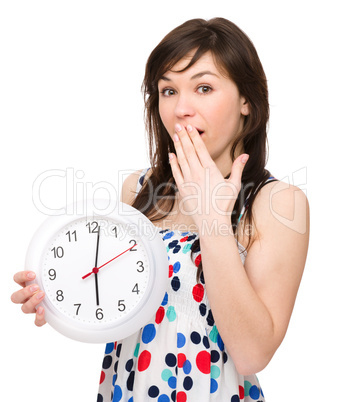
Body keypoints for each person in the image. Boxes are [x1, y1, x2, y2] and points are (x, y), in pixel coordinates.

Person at [11, 17, 309, 401]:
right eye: (168, 90)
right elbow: (121, 311)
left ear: (247, 101)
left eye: (203, 87)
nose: (181, 108)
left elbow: (252, 354)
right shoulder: (137, 188)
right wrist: (59, 296)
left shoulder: (280, 203)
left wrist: (212, 219)